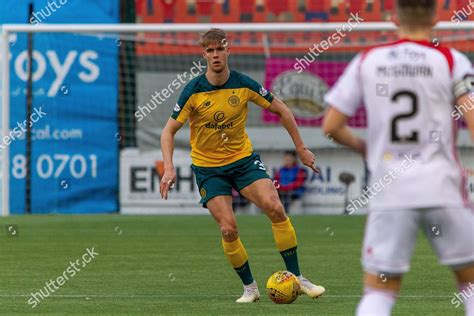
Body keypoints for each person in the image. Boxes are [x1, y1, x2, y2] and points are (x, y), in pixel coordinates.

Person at [322, 1, 474, 315]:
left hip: (390, 190)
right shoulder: (450, 60)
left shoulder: (368, 60)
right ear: (435, 17)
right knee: (469, 282)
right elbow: (472, 119)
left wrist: (365, 148)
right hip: (441, 186)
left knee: (380, 289)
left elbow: (331, 126)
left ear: (394, 18)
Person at [160, 28, 325, 303]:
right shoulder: (193, 91)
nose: (215, 55)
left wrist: (300, 148)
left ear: (228, 51)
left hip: (243, 161)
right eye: (209, 51)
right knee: (228, 228)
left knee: (274, 206)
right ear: (204, 55)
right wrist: (168, 167)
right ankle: (250, 288)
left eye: (219, 49)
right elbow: (168, 131)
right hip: (208, 169)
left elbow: (282, 109)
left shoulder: (244, 84)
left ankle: (298, 277)